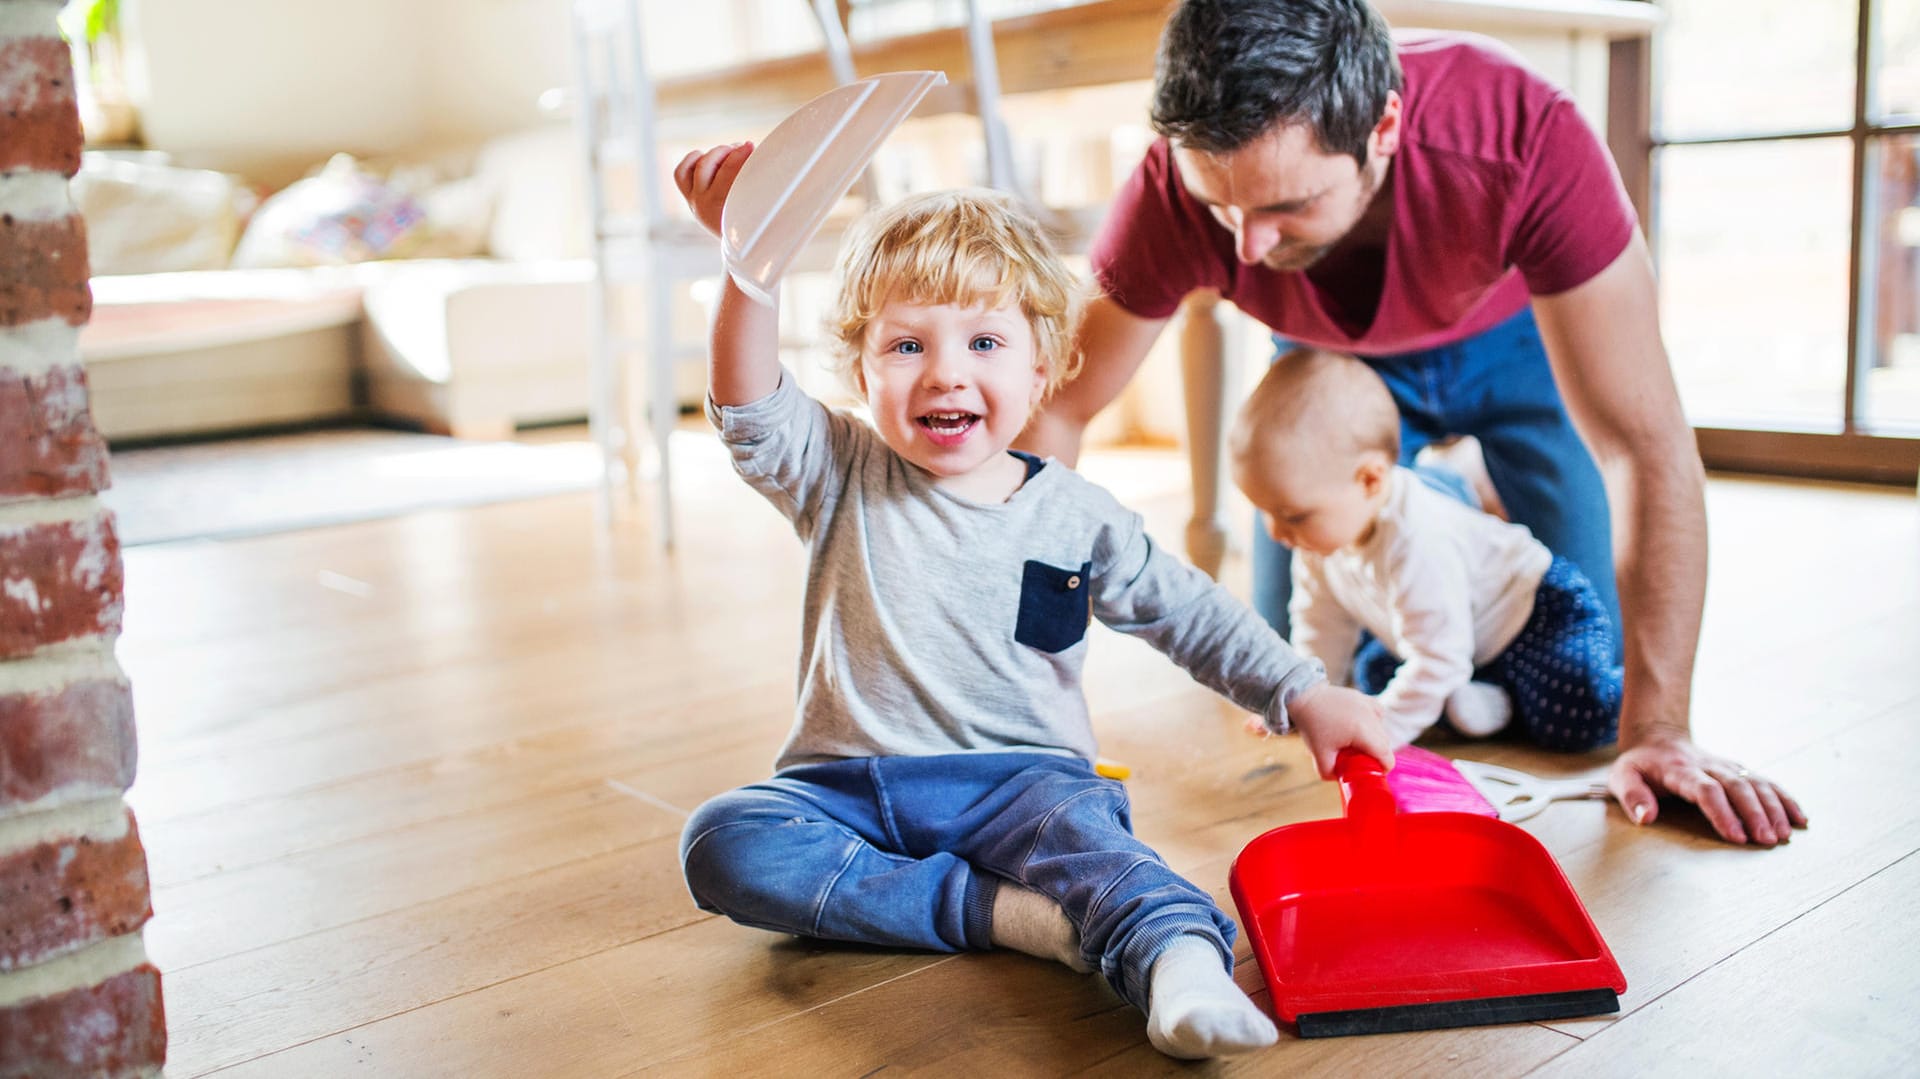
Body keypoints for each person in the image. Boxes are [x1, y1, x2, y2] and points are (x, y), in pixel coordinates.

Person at [1019, 0, 1807, 846]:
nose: (1245, 247)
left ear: (1384, 126)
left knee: (1586, 677)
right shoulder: (1172, 192)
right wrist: (1017, 684)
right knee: (1300, 657)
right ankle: (1429, 511)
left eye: (1287, 204)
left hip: (1518, 346)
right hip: (1330, 372)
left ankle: (1448, 500)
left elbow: (1643, 445)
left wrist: (1660, 731)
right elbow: (1058, 408)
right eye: (1221, 208)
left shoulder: (1525, 134)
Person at [670, 143, 1396, 1059]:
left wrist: (1298, 689)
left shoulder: (1078, 513)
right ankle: (1009, 915)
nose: (943, 373)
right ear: (858, 369)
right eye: (906, 345)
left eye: (983, 342)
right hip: (844, 786)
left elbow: (1188, 611)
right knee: (726, 843)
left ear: (1044, 364)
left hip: (1023, 784)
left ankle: (1178, 964)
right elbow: (747, 405)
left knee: (1110, 860)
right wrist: (751, 266)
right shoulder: (837, 469)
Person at [1233, 348, 1624, 750]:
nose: (1276, 531)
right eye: (1264, 512)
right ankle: (1484, 693)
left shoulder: (1416, 538)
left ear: (1369, 480)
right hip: (1457, 640)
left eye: (1291, 514)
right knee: (1372, 676)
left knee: (1574, 713)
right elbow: (1320, 625)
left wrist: (1379, 737)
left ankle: (1587, 691)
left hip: (1534, 617)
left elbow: (1437, 659)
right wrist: (1307, 699)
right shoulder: (1316, 538)